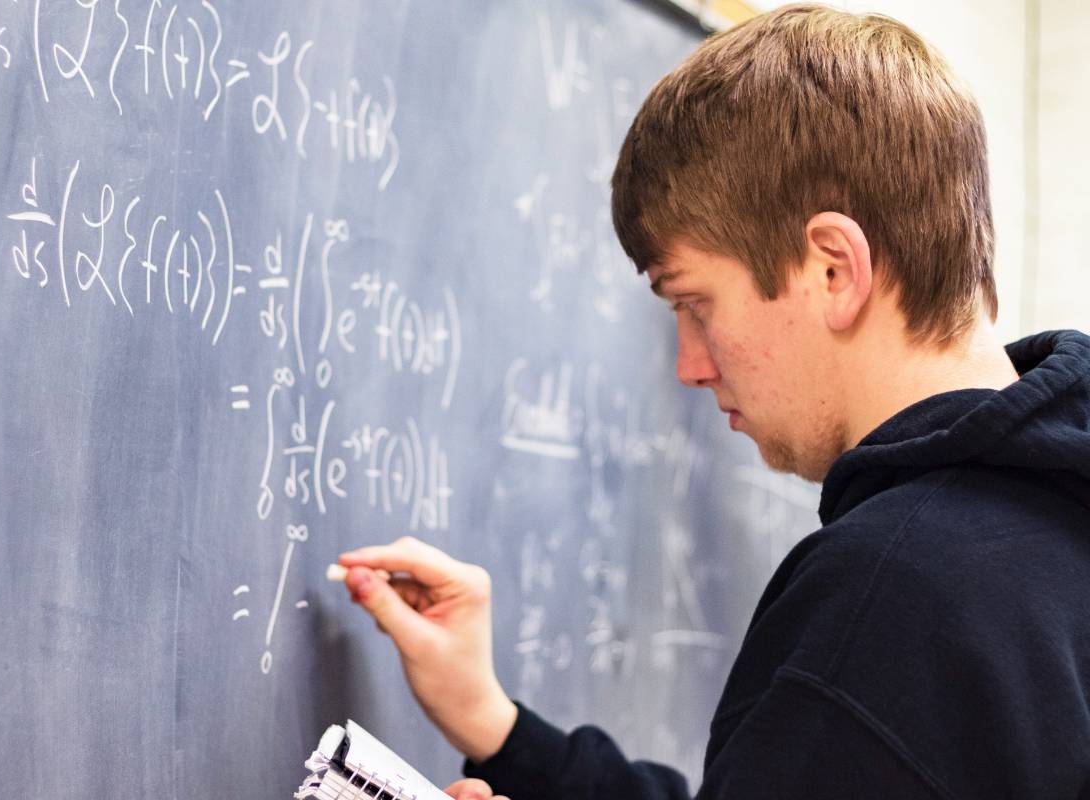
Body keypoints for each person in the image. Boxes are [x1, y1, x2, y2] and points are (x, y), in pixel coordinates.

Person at [338, 4, 1090, 798]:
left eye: (694, 304)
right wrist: (498, 727)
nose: (689, 366)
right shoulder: (1046, 522)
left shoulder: (893, 606)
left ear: (833, 269)